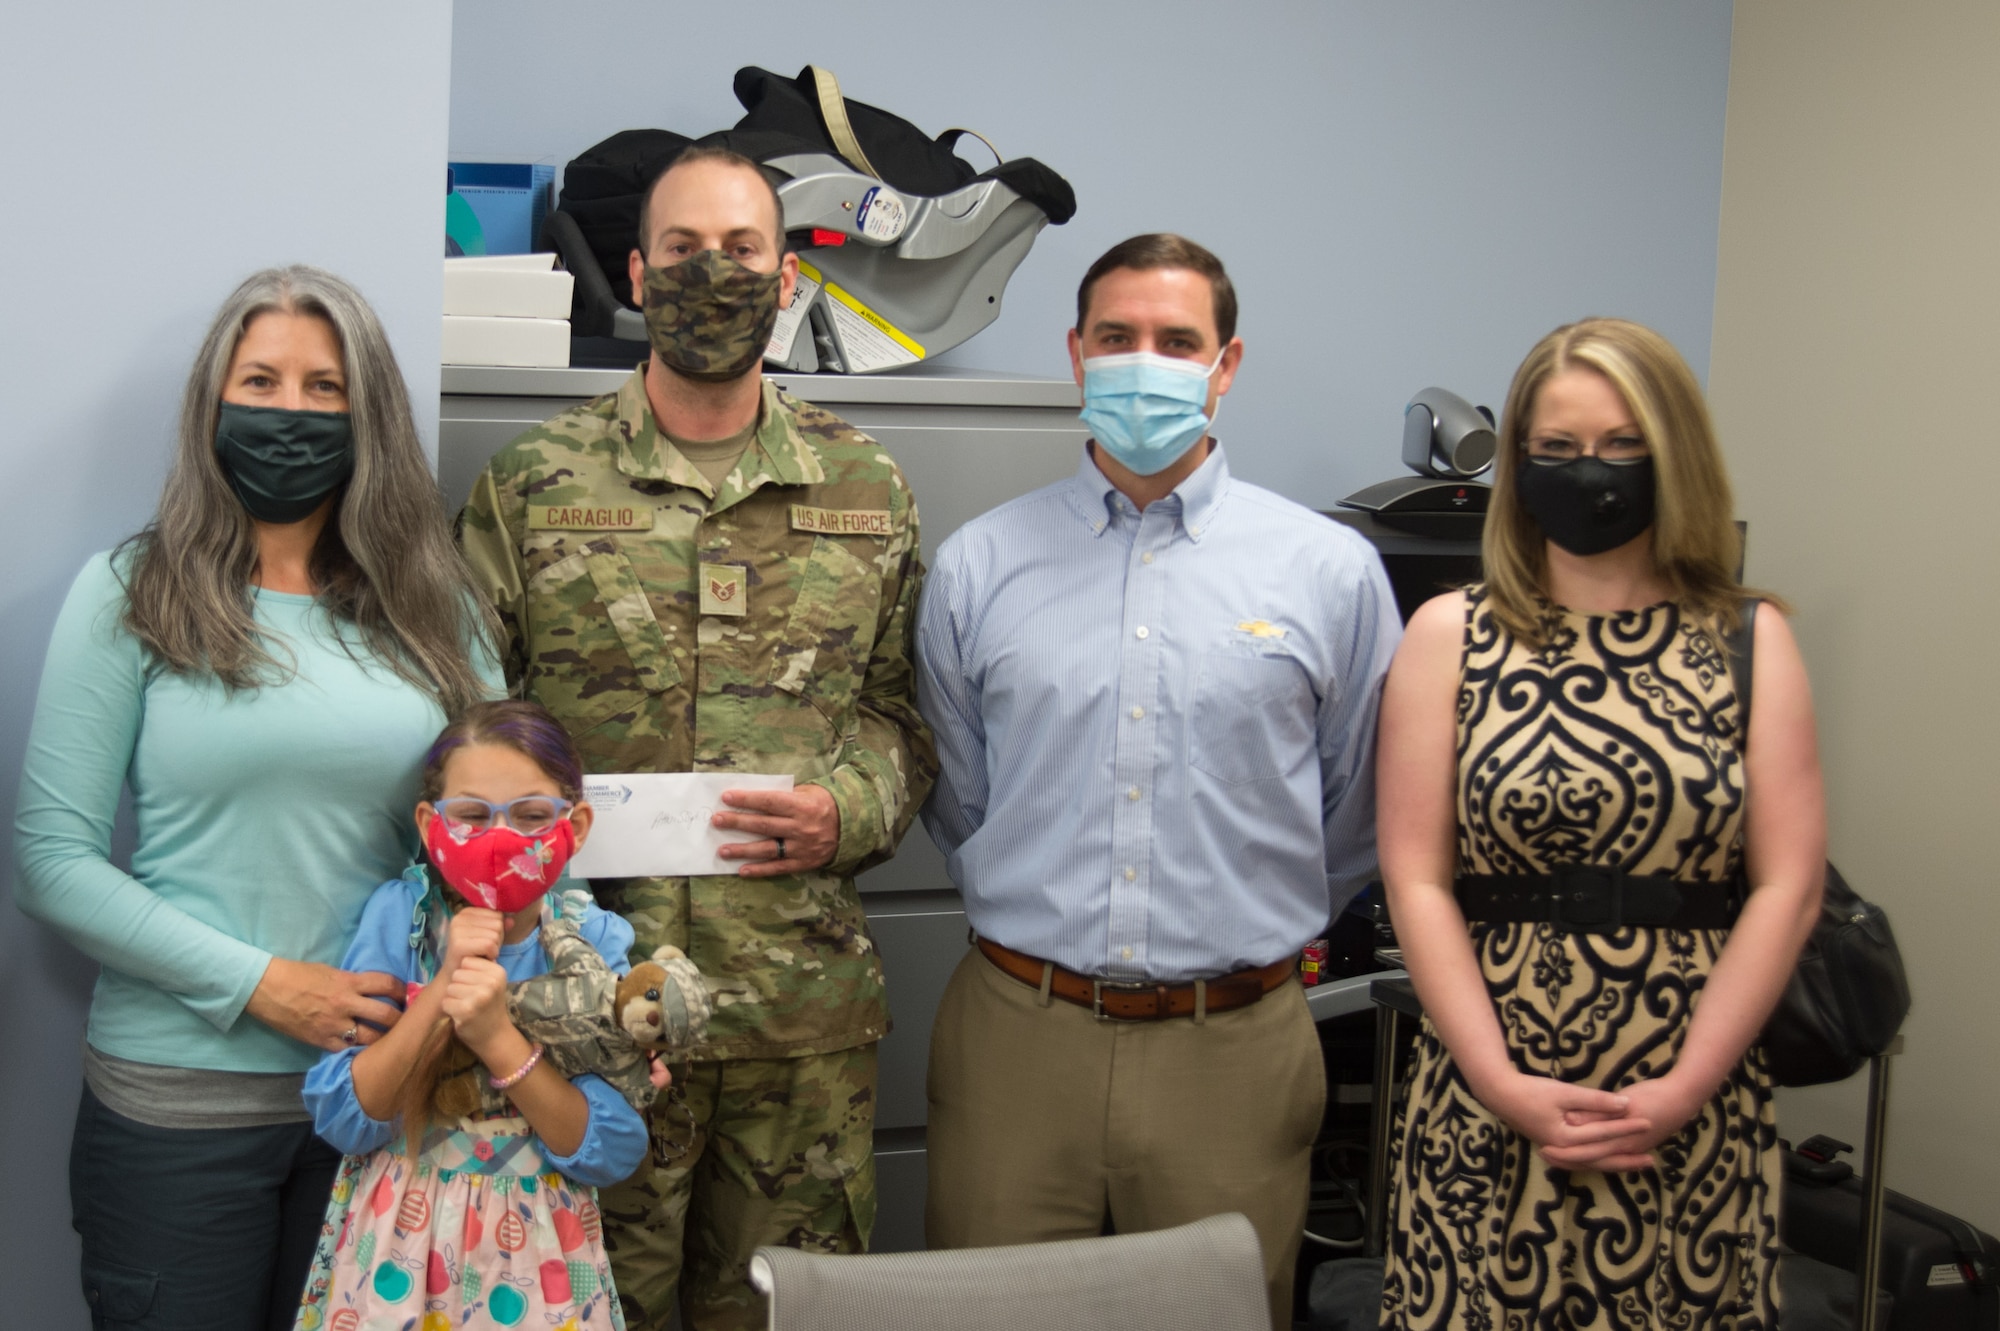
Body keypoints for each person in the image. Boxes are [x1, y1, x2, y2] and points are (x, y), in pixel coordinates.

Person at [457, 145, 936, 1331]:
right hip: (583, 1016)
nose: (709, 275)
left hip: (798, 1032)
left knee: (786, 1316)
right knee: (579, 1310)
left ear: (786, 281)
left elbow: (901, 717)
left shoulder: (864, 482)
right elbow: (464, 736)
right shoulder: (531, 483)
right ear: (634, 271)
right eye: (680, 250)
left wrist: (850, 806)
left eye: (739, 251)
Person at [915, 233, 1402, 1331]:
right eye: (1117, 336)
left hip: (1230, 1044)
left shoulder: (1327, 570)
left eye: (1177, 341)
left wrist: (1240, 927)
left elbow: (1355, 808)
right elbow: (962, 800)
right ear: (1076, 356)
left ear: (1225, 365)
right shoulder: (978, 565)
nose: (1146, 360)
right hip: (1016, 1036)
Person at [13, 266, 501, 1331]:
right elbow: (52, 859)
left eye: (326, 388)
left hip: (390, 1096)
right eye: (261, 380)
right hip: (179, 1111)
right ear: (212, 403)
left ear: (368, 412)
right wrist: (268, 985)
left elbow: (503, 833)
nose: (291, 412)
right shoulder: (132, 592)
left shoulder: (434, 606)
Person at [1375, 317, 1825, 1330]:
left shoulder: (1751, 640)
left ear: (1675, 455)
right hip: (1487, 1086)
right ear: (1518, 463)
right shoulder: (1448, 634)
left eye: (1623, 448)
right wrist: (1498, 1079)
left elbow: (1786, 883)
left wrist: (1682, 1086)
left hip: (1684, 1096)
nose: (1592, 474)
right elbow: (1413, 876)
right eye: (1558, 451)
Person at [295, 700, 649, 1330]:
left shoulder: (594, 941)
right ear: (432, 825)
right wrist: (442, 989)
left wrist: (496, 1038)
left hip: (542, 1257)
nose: (501, 839)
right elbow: (348, 1120)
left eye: (533, 816)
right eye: (473, 816)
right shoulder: (399, 919)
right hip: (399, 1249)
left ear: (577, 824)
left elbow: (608, 1151)